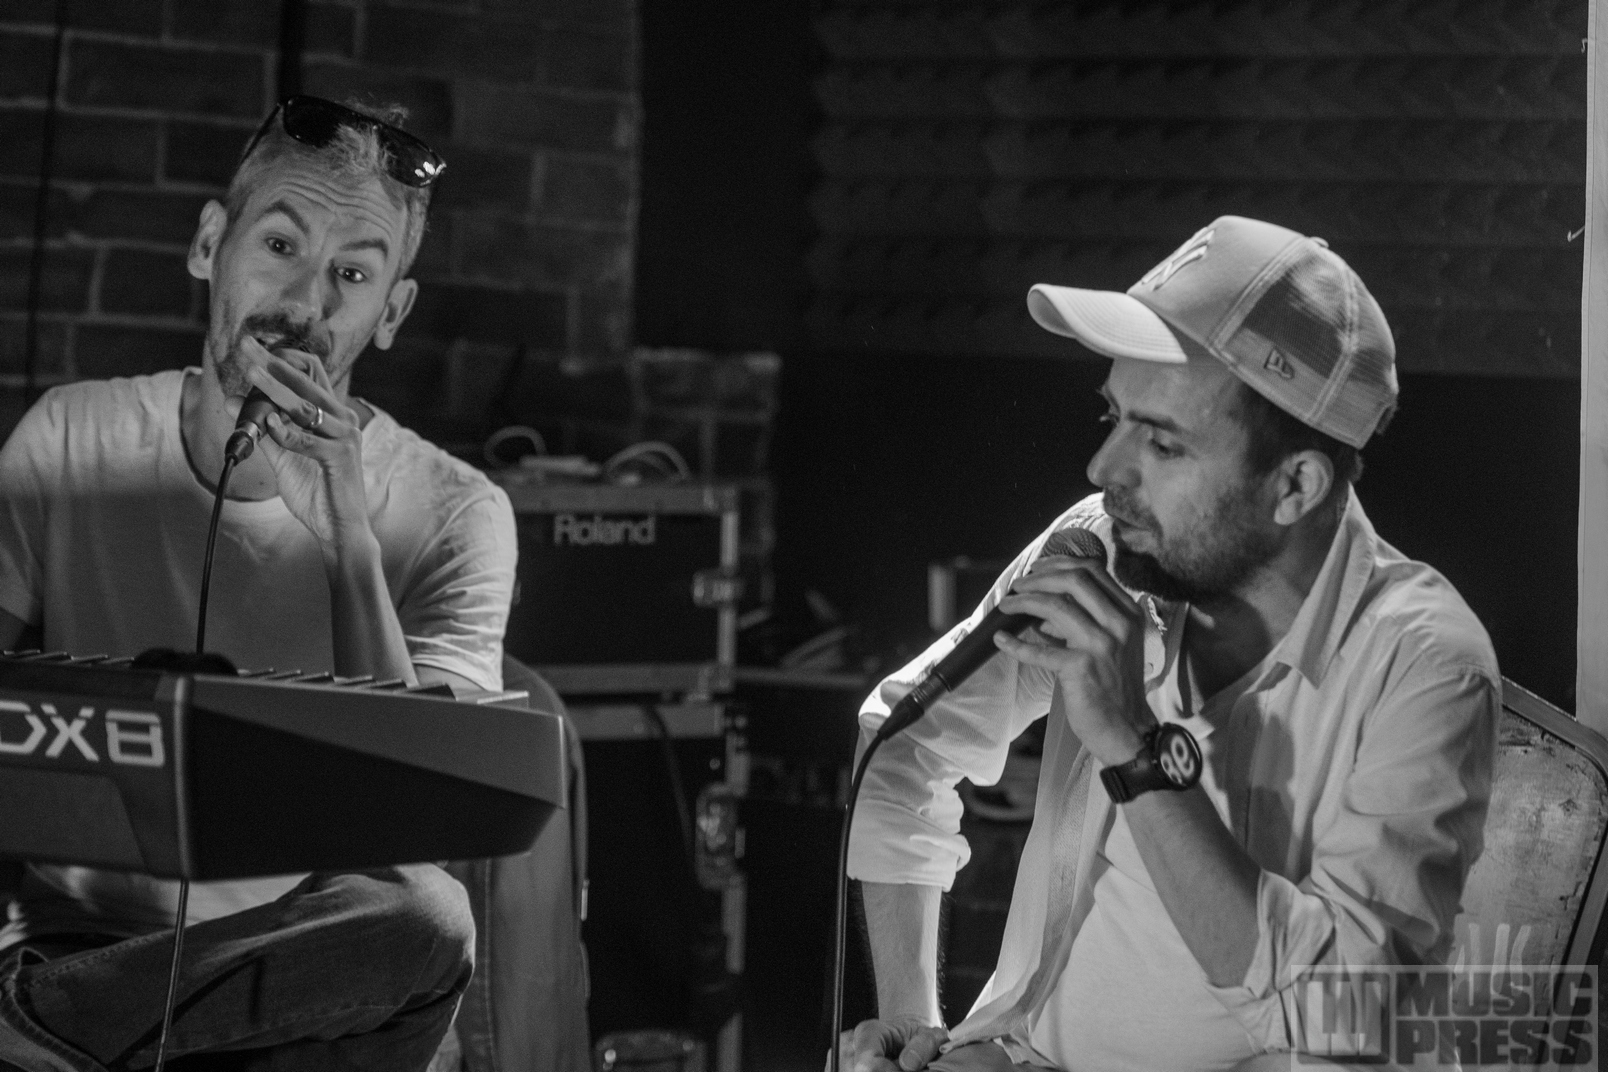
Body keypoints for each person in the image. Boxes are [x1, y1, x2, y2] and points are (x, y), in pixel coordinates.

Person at [841, 216, 1499, 1071]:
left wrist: (1134, 746)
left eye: (1160, 441)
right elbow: (900, 743)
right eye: (1113, 415)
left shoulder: (1424, 664)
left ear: (1294, 485)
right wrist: (916, 1023)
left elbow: (1346, 1013)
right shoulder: (1107, 545)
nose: (1102, 469)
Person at [0, 96, 516, 1071]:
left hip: (308, 979)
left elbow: (412, 832)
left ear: (392, 312)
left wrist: (348, 540)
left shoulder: (459, 511)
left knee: (428, 917)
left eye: (352, 273)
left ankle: (37, 1034)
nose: (304, 304)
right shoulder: (70, 437)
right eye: (280, 245)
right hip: (75, 941)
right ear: (210, 244)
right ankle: (62, 1024)